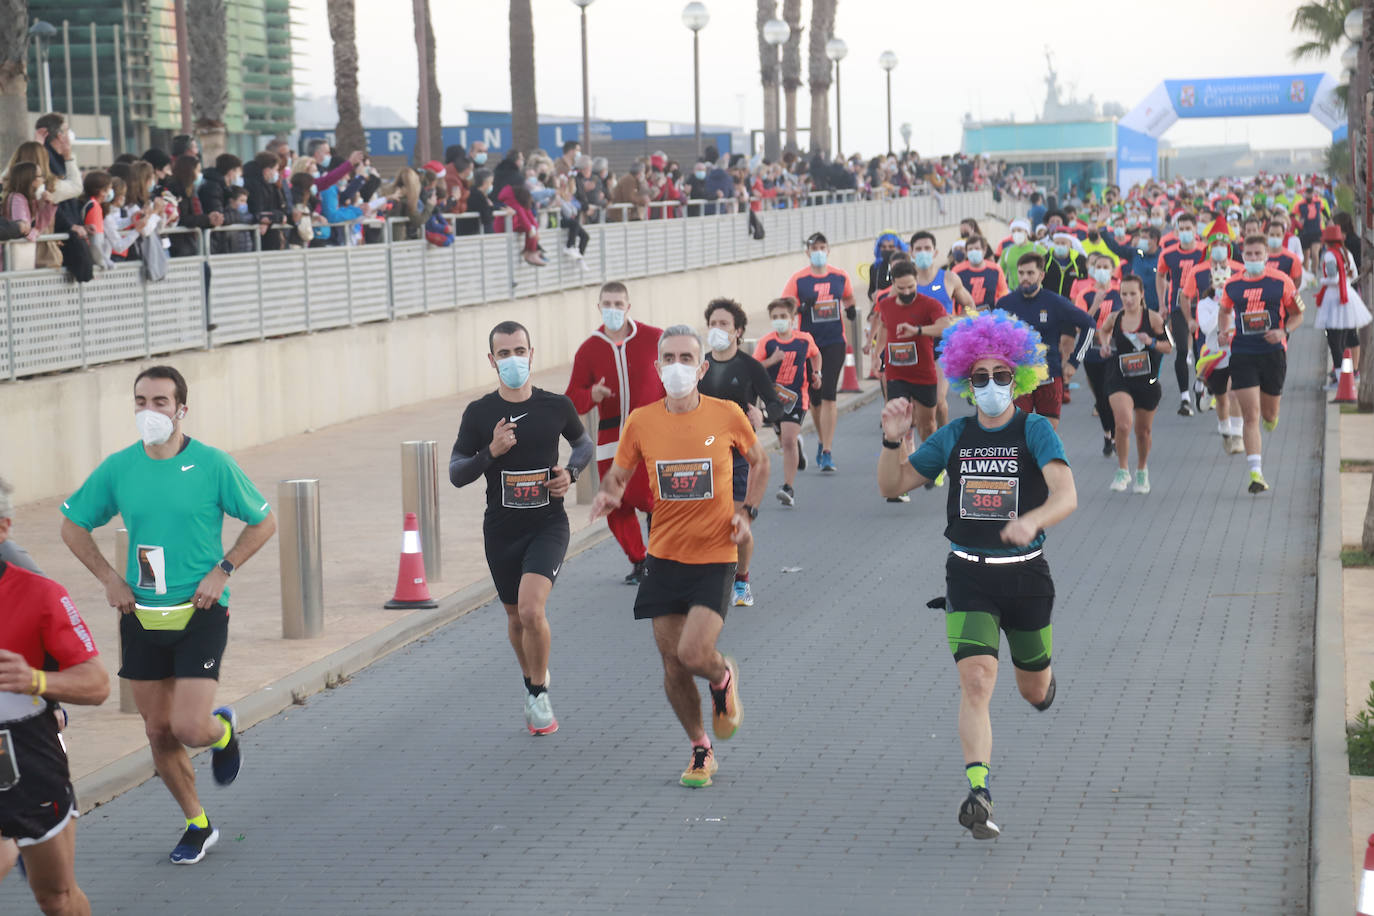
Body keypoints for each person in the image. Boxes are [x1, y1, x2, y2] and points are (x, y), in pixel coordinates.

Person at [59, 366, 277, 864]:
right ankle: (197, 824)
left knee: (189, 729)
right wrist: (110, 579)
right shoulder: (119, 468)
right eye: (140, 401)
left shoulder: (210, 465)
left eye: (160, 401)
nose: (148, 411)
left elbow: (263, 521)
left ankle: (221, 730)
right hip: (140, 613)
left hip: (200, 610)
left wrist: (223, 569)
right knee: (157, 731)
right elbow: (72, 526)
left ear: (182, 409)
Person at [877, 310, 1077, 841]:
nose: (991, 386)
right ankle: (978, 790)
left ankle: (1043, 683)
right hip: (968, 575)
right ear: (967, 382)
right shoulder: (954, 435)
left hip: (1027, 575)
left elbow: (1067, 494)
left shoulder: (1034, 429)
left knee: (1033, 690)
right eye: (980, 378)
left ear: (1020, 378)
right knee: (978, 681)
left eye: (1002, 376)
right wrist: (892, 440)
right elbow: (892, 485)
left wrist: (1031, 520)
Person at [589, 326, 766, 788]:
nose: (677, 366)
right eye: (668, 357)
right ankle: (700, 748)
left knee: (692, 654)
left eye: (687, 358)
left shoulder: (727, 415)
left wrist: (746, 511)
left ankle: (722, 676)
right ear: (657, 367)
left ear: (702, 367)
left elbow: (760, 461)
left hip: (714, 554)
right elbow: (619, 475)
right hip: (663, 556)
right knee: (671, 664)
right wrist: (607, 495)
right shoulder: (642, 421)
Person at [449, 322, 594, 735]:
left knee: (533, 609)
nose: (513, 359)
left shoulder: (556, 406)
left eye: (520, 350)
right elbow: (457, 473)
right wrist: (490, 452)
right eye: (504, 353)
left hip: (548, 522)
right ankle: (533, 682)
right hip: (501, 529)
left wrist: (571, 472)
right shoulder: (479, 413)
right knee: (515, 618)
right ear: (492, 360)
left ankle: (538, 691)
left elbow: (582, 445)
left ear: (533, 354)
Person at [0, 521, 109, 916]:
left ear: (4, 528)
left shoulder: (40, 594)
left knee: (56, 898)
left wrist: (36, 680)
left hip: (27, 758)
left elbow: (97, 684)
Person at [565, 283, 664, 584]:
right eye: (607, 304)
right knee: (616, 505)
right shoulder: (589, 349)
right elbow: (571, 398)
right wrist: (591, 395)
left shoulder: (654, 338)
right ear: (598, 307)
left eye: (618, 304)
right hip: (611, 441)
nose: (613, 309)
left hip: (652, 438)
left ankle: (663, 557)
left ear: (628, 307)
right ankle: (639, 560)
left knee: (654, 500)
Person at [700, 299, 780, 606]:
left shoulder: (750, 367)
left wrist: (762, 415)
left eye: (724, 325)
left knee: (737, 522)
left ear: (739, 332)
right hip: (703, 456)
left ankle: (742, 581)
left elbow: (774, 404)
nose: (717, 330)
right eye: (712, 324)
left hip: (738, 456)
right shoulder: (700, 365)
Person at [1217, 237, 1304, 494]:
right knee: (1250, 414)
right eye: (1249, 254)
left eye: (1258, 254)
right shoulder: (1232, 285)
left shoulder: (1281, 282)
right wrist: (1224, 332)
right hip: (1243, 353)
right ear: (1243, 256)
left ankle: (1272, 417)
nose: (1253, 259)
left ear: (1267, 256)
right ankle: (1256, 473)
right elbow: (1224, 311)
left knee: (1268, 414)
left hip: (1273, 353)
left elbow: (1299, 313)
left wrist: (1283, 331)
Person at [871, 259, 955, 498]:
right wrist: (878, 355)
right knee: (898, 425)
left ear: (916, 281)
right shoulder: (886, 305)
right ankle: (900, 480)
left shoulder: (929, 303)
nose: (907, 292)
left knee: (927, 425)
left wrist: (918, 330)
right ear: (893, 285)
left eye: (911, 287)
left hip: (923, 373)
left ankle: (935, 465)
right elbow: (885, 328)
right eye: (901, 288)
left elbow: (944, 326)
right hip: (897, 374)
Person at [994, 252, 1095, 429]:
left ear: (1041, 275)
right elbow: (993, 340)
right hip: (1018, 378)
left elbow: (1089, 325)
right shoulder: (1005, 304)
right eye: (1021, 273)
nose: (1025, 278)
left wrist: (1074, 361)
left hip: (1049, 377)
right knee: (1019, 432)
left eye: (1030, 273)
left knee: (1047, 433)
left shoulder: (1054, 302)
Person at [782, 232, 856, 472]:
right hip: (809, 344)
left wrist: (851, 309)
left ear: (828, 250)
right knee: (814, 399)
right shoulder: (799, 279)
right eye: (814, 247)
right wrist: (800, 307)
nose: (818, 251)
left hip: (834, 341)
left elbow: (848, 296)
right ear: (807, 252)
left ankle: (827, 450)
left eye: (822, 247)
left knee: (829, 394)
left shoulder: (839, 276)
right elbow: (785, 305)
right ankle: (822, 440)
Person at [1098, 275, 1171, 493]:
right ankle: (1122, 470)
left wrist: (1152, 342)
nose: (1128, 299)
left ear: (1141, 295)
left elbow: (1169, 346)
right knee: (1122, 424)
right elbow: (1103, 330)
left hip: (1146, 380)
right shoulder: (1115, 317)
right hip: (1119, 377)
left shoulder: (1154, 319)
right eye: (1124, 294)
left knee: (1143, 432)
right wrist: (1104, 345)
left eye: (1132, 294)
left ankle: (1141, 470)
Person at [754, 298, 821, 507]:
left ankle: (788, 487)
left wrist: (817, 373)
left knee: (788, 441)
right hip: (773, 399)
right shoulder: (767, 342)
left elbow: (815, 355)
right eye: (775, 317)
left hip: (797, 398)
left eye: (783, 317)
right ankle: (797, 447)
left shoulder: (803, 339)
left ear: (793, 319)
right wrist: (772, 361)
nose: (779, 321)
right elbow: (754, 368)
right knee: (785, 439)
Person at [1178, 217, 1243, 414]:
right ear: (1209, 247)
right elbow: (1185, 296)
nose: (1219, 248)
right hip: (1206, 332)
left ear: (1229, 247)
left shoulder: (1239, 269)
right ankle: (1208, 389)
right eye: (1215, 244)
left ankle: (1232, 423)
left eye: (1223, 244)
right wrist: (1189, 320)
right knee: (1211, 371)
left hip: (1233, 331)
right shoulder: (1198, 271)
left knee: (1233, 376)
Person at [910, 230, 975, 426]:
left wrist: (955, 321)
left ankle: (944, 441)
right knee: (917, 409)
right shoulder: (906, 281)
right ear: (911, 253)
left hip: (942, 346)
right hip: (915, 346)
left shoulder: (949, 278)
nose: (923, 252)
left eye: (927, 248)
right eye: (918, 249)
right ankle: (924, 446)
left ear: (935, 252)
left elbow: (971, 308)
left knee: (938, 402)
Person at [1155, 213, 1207, 417]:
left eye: (1188, 228)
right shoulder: (1168, 254)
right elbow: (1160, 275)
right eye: (1181, 229)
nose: (1185, 232)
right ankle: (1185, 397)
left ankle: (1200, 386)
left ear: (1196, 230)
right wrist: (1161, 303)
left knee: (1200, 350)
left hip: (1201, 305)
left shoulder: (1204, 252)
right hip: (1177, 306)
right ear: (1176, 231)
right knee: (1183, 350)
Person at [1075, 252, 1123, 457]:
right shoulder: (1085, 294)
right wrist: (1095, 303)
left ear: (1113, 271)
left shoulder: (1121, 292)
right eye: (1098, 266)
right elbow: (1080, 324)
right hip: (1092, 350)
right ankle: (1107, 434)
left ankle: (1116, 436)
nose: (1102, 270)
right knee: (1101, 398)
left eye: (1106, 267)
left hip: (1115, 350)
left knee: (1113, 394)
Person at [1313, 223, 1371, 385]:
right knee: (1343, 339)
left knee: (1334, 341)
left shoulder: (1330, 256)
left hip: (1334, 298)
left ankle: (1340, 378)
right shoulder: (1346, 253)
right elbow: (1352, 275)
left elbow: (1333, 278)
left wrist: (1322, 280)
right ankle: (1347, 375)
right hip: (1347, 295)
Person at [952, 234, 1010, 313]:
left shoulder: (995, 269)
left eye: (977, 248)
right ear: (966, 252)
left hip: (989, 318)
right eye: (970, 249)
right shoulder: (957, 271)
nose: (973, 251)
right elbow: (951, 297)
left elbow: (1003, 293)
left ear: (984, 250)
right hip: (964, 319)